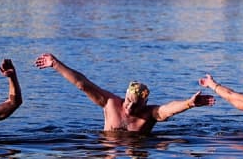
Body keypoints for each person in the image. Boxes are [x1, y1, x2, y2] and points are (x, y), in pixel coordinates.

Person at [35, 53, 214, 134]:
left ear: (144, 103)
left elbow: (168, 109)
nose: (129, 106)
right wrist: (55, 64)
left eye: (135, 104)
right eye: (128, 100)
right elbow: (83, 84)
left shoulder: (149, 114)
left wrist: (189, 103)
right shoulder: (111, 103)